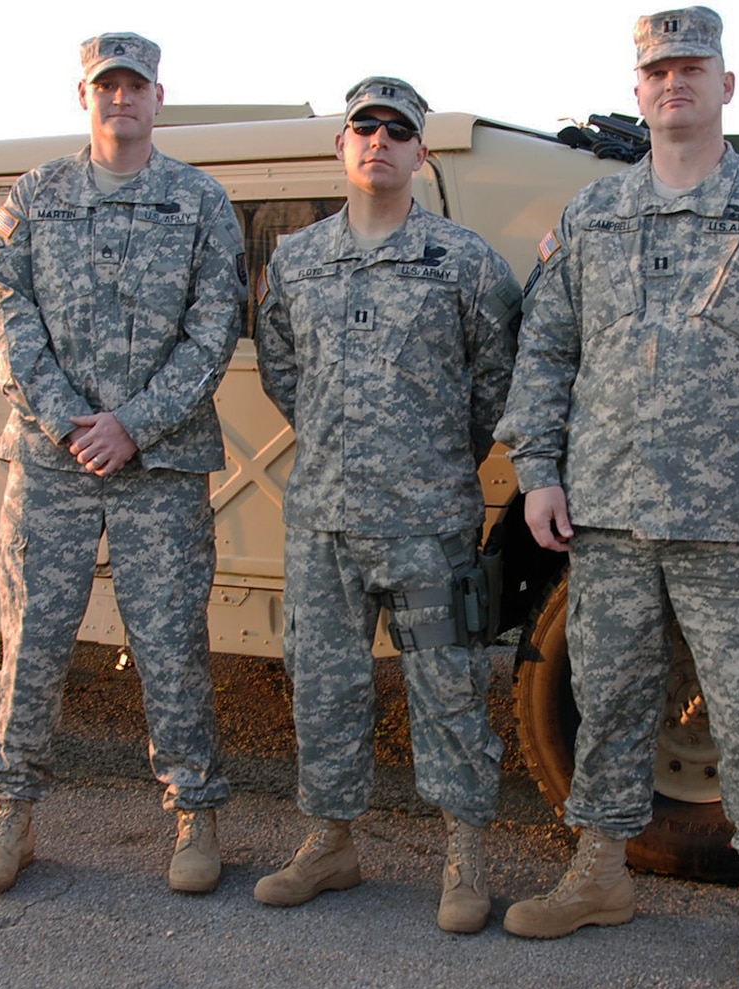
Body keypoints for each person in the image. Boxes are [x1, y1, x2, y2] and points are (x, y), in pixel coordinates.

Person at [493, 7, 739, 989]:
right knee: (609, 697)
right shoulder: (592, 216)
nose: (674, 83)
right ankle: (599, 870)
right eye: (657, 70)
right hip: (610, 511)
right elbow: (548, 350)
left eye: (692, 67)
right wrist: (539, 471)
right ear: (638, 91)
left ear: (727, 86)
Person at [0, 32, 246, 896]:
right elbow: (5, 310)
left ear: (159, 98)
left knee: (170, 646)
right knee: (34, 643)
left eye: (135, 85)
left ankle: (195, 813)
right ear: (83, 97)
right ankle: (10, 811)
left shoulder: (200, 201)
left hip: (158, 468)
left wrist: (133, 425)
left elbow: (214, 329)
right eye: (105, 86)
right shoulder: (36, 195)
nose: (120, 99)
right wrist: (67, 422)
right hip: (53, 469)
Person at [253, 77, 520, 934]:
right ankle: (330, 842)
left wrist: (434, 458)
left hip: (429, 522)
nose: (379, 140)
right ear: (341, 146)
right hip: (324, 521)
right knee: (325, 689)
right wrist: (346, 446)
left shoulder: (466, 262)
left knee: (449, 690)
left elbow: (495, 386)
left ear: (420, 153)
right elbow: (283, 371)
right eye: (363, 127)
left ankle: (465, 856)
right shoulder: (295, 261)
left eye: (397, 130)